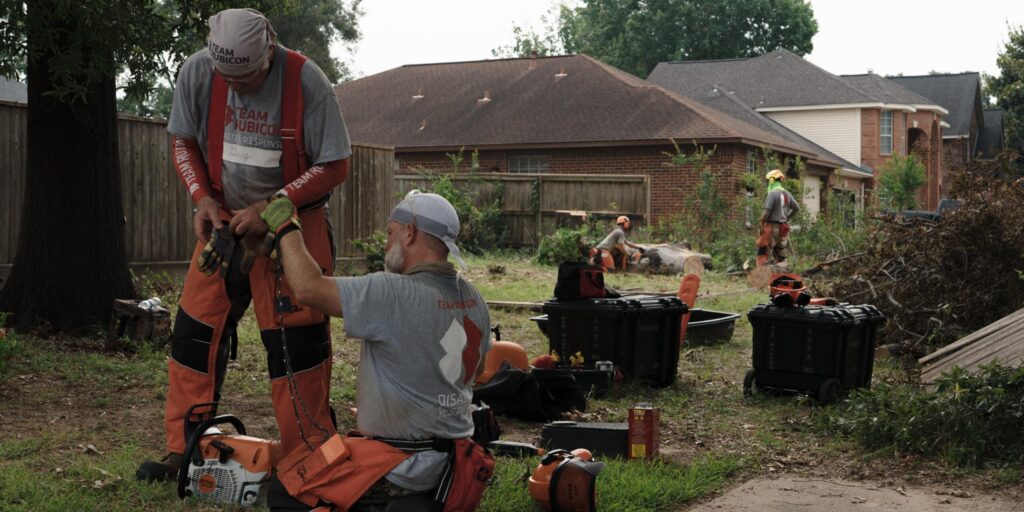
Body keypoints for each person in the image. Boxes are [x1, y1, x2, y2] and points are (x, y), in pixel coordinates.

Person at [137, 8, 351, 482]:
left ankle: (308, 455)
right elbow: (182, 142)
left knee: (299, 342)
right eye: (227, 77)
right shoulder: (197, 72)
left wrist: (275, 205)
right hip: (226, 224)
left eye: (248, 77)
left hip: (293, 228)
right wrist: (202, 199)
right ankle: (186, 451)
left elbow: (335, 163)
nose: (238, 87)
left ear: (269, 51)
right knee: (193, 333)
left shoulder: (307, 82)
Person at [259, 191, 492, 511]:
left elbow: (308, 287)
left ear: (409, 233)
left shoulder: (391, 292)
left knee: (287, 489)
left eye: (390, 232)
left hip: (402, 467)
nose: (386, 243)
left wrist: (287, 229)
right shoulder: (473, 297)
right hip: (453, 461)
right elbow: (474, 372)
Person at [756, 169, 800, 267]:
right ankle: (782, 274)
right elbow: (797, 208)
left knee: (762, 251)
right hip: (783, 229)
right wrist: (787, 217)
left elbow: (766, 212)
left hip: (772, 227)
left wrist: (761, 223)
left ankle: (761, 275)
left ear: (771, 180)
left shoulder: (772, 193)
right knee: (781, 254)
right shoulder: (787, 194)